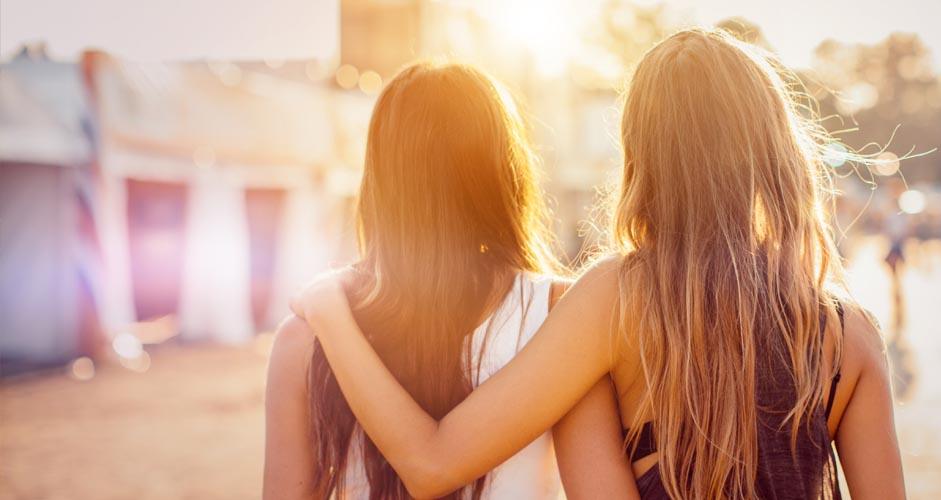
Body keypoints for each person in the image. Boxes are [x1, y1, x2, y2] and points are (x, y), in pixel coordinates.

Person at [294, 29, 906, 500]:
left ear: (639, 152)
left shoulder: (614, 300)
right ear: (775, 149)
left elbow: (431, 464)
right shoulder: (851, 337)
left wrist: (328, 306)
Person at [263, 63, 638, 500]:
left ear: (380, 180)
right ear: (503, 175)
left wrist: (327, 308)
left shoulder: (304, 337)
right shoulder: (560, 316)